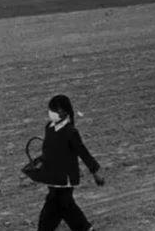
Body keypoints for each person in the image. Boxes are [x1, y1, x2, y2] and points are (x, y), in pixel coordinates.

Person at [37, 95, 104, 231]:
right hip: (53, 177)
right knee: (62, 206)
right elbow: (47, 150)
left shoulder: (70, 132)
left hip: (65, 179)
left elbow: (83, 152)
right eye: (52, 109)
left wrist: (95, 171)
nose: (53, 112)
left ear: (65, 112)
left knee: (59, 205)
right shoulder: (49, 128)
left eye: (57, 110)